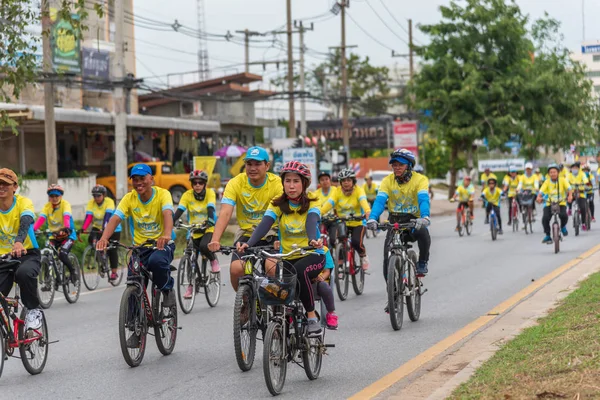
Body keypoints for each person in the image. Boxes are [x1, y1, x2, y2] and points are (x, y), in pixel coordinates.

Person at [238, 161, 330, 337]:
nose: (291, 185)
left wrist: (312, 240)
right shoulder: (277, 204)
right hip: (288, 257)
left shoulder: (313, 201)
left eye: (296, 181)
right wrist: (248, 244)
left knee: (300, 271)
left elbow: (311, 222)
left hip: (312, 254)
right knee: (278, 287)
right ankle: (281, 324)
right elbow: (264, 225)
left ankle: (311, 317)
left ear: (304, 184)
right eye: (287, 181)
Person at [96, 163, 177, 346]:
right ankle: (136, 329)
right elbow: (115, 218)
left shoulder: (163, 194)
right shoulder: (129, 198)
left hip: (161, 245)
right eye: (135, 179)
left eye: (143, 178)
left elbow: (167, 214)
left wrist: (166, 233)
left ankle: (166, 289)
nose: (139, 183)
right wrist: (104, 238)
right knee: (134, 282)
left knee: (157, 262)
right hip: (139, 248)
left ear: (151, 179)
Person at [208, 147, 283, 291]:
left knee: (271, 267)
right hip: (246, 235)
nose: (252, 168)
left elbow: (282, 214)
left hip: (272, 234)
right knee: (236, 269)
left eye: (257, 164)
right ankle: (244, 303)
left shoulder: (277, 183)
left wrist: (282, 238)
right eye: (249, 164)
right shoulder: (235, 183)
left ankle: (275, 308)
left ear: (267, 166)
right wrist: (215, 239)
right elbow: (225, 213)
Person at [367, 149, 431, 279]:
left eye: (400, 165)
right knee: (387, 258)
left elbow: (423, 199)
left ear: (409, 166)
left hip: (414, 221)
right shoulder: (387, 181)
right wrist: (372, 218)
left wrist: (424, 216)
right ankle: (393, 293)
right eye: (394, 165)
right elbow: (379, 201)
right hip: (395, 221)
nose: (396, 168)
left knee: (424, 234)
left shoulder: (420, 180)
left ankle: (423, 262)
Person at [0, 168, 43, 332]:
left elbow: (26, 220)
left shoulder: (23, 203)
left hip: (27, 254)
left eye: (6, 184)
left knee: (23, 274)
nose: (1, 187)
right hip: (3, 258)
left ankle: (33, 310)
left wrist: (19, 242)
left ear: (15, 187)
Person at [173, 170, 219, 299]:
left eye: (200, 183)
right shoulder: (187, 195)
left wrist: (210, 220)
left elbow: (211, 208)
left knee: (205, 247)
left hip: (207, 229)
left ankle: (213, 259)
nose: (197, 185)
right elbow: (180, 210)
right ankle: (191, 286)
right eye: (194, 183)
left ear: (205, 184)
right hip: (193, 230)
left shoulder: (210, 193)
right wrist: (171, 221)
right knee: (189, 257)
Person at [320, 168, 371, 270]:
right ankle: (340, 262)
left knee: (357, 242)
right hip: (343, 222)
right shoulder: (337, 192)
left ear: (353, 181)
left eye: (348, 180)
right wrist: (318, 214)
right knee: (338, 241)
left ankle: (363, 255)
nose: (346, 183)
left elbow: (363, 201)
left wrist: (367, 211)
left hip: (358, 223)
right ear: (340, 182)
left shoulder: (358, 190)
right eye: (343, 181)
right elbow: (329, 204)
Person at [34, 184, 79, 284]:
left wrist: (66, 228)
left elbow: (66, 216)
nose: (54, 198)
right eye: (52, 196)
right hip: (53, 236)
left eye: (56, 196)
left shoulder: (65, 204)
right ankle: (47, 280)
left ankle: (73, 272)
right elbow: (41, 219)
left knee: (62, 254)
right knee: (47, 254)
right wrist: (33, 230)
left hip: (67, 236)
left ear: (61, 196)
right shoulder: (47, 206)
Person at [81, 185, 121, 280]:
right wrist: (83, 228)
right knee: (91, 239)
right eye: (94, 196)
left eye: (98, 196)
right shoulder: (91, 203)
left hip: (113, 228)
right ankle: (100, 256)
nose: (96, 198)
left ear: (103, 195)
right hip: (98, 227)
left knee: (112, 249)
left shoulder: (109, 202)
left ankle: (114, 272)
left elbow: (107, 216)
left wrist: (105, 229)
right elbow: (89, 217)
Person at [537, 163, 572, 243]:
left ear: (558, 173)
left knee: (563, 215)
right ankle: (548, 235)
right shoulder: (546, 182)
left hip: (561, 202)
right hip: (549, 203)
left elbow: (569, 189)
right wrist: (539, 197)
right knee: (545, 218)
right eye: (551, 172)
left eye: (554, 172)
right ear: (549, 174)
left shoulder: (562, 180)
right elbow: (541, 191)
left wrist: (570, 196)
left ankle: (563, 226)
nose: (553, 174)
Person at [567, 162, 589, 229]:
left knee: (583, 208)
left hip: (581, 193)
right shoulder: (569, 175)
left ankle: (583, 223)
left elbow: (585, 180)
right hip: (572, 192)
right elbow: (566, 182)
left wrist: (584, 184)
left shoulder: (582, 174)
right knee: (568, 198)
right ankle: (570, 209)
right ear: (571, 169)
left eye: (576, 168)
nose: (574, 169)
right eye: (573, 168)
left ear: (579, 169)